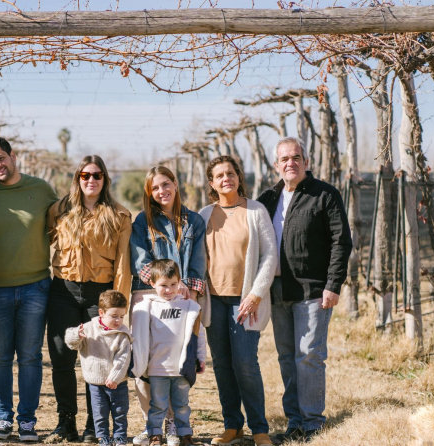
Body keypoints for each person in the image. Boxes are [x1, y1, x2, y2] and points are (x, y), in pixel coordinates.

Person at [257, 137, 352, 443]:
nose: (290, 163)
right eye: (284, 159)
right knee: (286, 356)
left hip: (313, 290)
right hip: (278, 291)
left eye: (296, 157)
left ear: (306, 162)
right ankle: (294, 421)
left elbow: (341, 240)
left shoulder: (324, 194)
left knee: (309, 355)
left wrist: (333, 284)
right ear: (276, 165)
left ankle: (312, 423)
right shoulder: (268, 198)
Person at [46, 155, 132, 443]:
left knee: (99, 361)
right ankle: (65, 422)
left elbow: (122, 263)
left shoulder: (119, 216)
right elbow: (39, 244)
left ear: (104, 179)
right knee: (62, 359)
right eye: (85, 175)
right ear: (77, 178)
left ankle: (94, 426)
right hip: (63, 291)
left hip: (100, 295)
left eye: (97, 175)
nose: (91, 180)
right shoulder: (59, 210)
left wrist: (118, 306)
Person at [0, 136, 59, 442]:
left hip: (35, 287)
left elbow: (61, 225)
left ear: (13, 156)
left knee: (29, 356)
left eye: (1, 158)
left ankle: (27, 421)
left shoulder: (40, 189)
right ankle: (3, 419)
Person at [198, 157, 277, 446]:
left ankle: (259, 428)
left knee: (245, 362)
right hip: (214, 301)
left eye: (230, 173)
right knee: (221, 364)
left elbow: (269, 255)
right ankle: (233, 425)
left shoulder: (255, 211)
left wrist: (256, 294)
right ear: (211, 182)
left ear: (238, 176)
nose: (225, 179)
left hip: (245, 301)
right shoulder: (205, 214)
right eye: (219, 175)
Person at [129, 166, 207, 446]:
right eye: (155, 188)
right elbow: (140, 262)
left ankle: (174, 423)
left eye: (166, 184)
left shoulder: (194, 221)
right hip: (148, 296)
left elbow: (198, 262)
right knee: (145, 361)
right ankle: (152, 425)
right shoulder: (143, 222)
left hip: (182, 297)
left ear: (175, 183)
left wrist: (187, 288)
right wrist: (164, 283)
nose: (162, 191)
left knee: (176, 363)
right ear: (149, 193)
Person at [131, 259, 206, 446]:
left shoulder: (188, 306)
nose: (169, 290)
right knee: (158, 404)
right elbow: (140, 338)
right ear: (152, 283)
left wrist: (200, 357)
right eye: (163, 285)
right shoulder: (147, 307)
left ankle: (184, 434)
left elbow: (198, 333)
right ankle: (154, 434)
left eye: (174, 284)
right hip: (157, 368)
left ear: (180, 282)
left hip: (180, 367)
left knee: (182, 405)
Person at [65, 290, 133, 446]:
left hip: (118, 383)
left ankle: (120, 436)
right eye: (114, 316)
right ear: (101, 313)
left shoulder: (122, 334)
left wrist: (115, 378)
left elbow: (123, 358)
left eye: (122, 316)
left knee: (120, 412)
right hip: (95, 383)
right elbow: (71, 343)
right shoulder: (89, 328)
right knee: (99, 413)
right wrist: (77, 335)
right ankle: (103, 437)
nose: (118, 320)